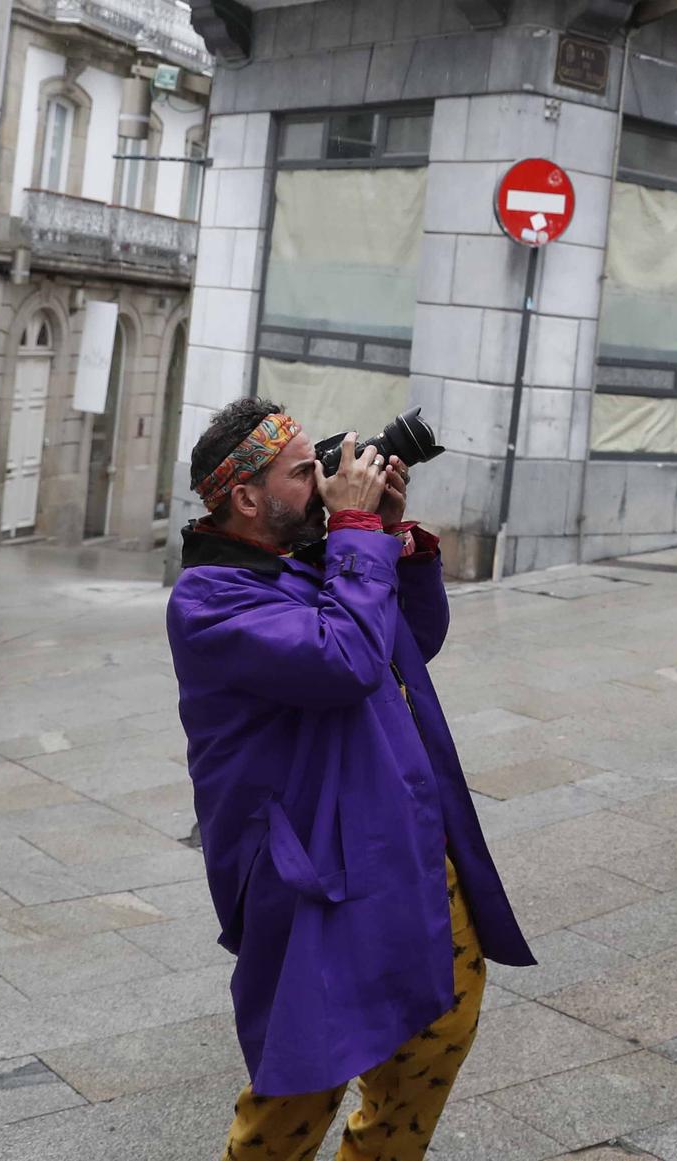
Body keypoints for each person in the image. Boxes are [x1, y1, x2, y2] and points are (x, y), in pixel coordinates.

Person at [165, 398, 533, 1160]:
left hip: (397, 839)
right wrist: (357, 532)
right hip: (312, 873)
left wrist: (387, 533)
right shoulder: (209, 602)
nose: (326, 480)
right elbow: (344, 660)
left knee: (439, 1030)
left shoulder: (308, 555)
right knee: (304, 1080)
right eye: (304, 472)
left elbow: (408, 639)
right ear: (246, 498)